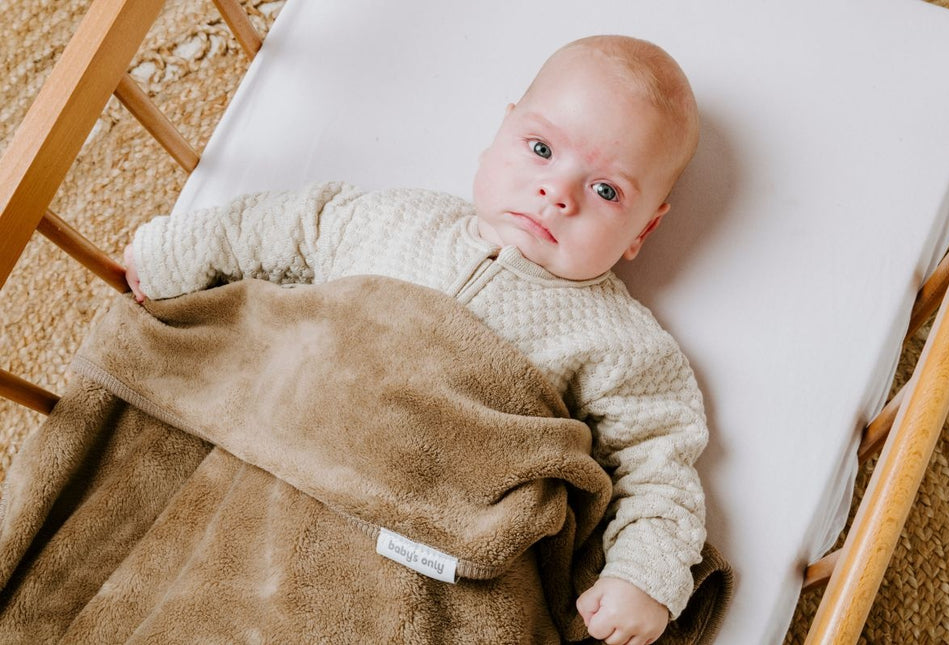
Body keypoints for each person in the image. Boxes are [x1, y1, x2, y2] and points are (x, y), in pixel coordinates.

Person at [125, 34, 706, 645]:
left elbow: (659, 464)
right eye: (540, 149)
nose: (558, 193)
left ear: (643, 229)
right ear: (500, 134)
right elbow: (280, 227)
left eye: (606, 191)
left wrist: (645, 574)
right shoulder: (394, 218)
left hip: (428, 546)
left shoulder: (623, 344)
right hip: (284, 467)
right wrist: (178, 251)